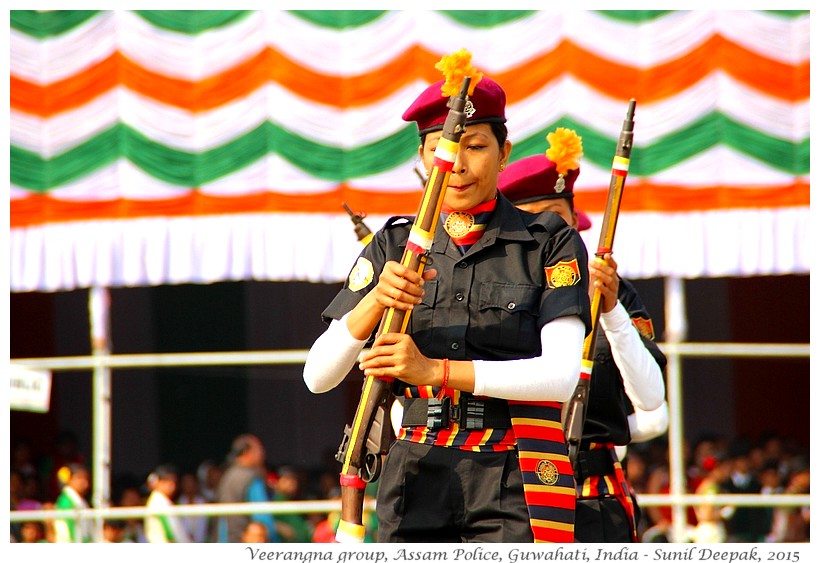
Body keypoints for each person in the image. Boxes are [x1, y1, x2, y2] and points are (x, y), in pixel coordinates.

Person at [303, 49, 591, 543]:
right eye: (442, 148)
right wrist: (377, 300)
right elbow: (318, 376)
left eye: (475, 145)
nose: (456, 163)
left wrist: (434, 371)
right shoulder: (393, 244)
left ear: (504, 151)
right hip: (414, 469)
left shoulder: (550, 242)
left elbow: (562, 377)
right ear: (423, 159)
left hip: (512, 471)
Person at [498, 130, 667, 542]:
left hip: (595, 496)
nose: (549, 232)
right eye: (534, 220)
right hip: (510, 491)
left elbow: (651, 399)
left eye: (558, 218)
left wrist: (611, 313)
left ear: (576, 222)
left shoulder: (615, 292)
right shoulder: (496, 296)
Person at [215, 433, 280, 543]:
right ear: (247, 453)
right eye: (259, 450)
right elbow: (262, 516)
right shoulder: (251, 478)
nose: (262, 454)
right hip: (250, 544)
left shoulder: (227, 477)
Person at [144, 464, 191, 543]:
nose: (172, 486)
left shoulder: (163, 500)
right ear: (158, 482)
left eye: (174, 482)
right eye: (168, 481)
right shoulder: (158, 501)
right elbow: (170, 532)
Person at [52, 463, 92, 543]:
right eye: (79, 478)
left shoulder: (80, 500)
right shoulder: (66, 500)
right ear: (69, 479)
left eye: (86, 479)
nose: (84, 482)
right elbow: (70, 526)